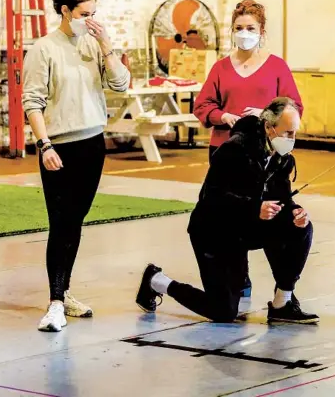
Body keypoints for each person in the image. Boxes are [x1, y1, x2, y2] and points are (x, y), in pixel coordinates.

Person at [136, 97, 319, 325]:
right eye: (288, 133)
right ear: (268, 127)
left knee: (299, 227)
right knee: (223, 311)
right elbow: (212, 199)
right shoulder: (234, 149)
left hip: (246, 225)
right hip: (215, 231)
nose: (291, 139)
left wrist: (295, 211)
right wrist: (254, 208)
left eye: (294, 133)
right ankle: (156, 280)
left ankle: (283, 302)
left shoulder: (282, 158)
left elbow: (282, 198)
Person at [22, 0, 130, 332]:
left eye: (95, 14)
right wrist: (44, 145)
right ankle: (54, 302)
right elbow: (33, 101)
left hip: (92, 142)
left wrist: (106, 45)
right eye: (85, 14)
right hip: (58, 147)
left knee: (76, 220)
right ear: (65, 11)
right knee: (61, 221)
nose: (91, 20)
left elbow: (120, 85)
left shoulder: (93, 45)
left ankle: (63, 291)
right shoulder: (43, 48)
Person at [193, 0, 304, 298]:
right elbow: (202, 105)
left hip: (264, 155)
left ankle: (281, 282)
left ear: (262, 31)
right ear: (232, 31)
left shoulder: (277, 67)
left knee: (267, 209)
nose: (244, 33)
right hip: (225, 150)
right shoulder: (220, 68)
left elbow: (294, 108)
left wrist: (266, 113)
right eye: (239, 28)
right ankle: (237, 275)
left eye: (250, 28)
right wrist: (222, 116)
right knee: (231, 212)